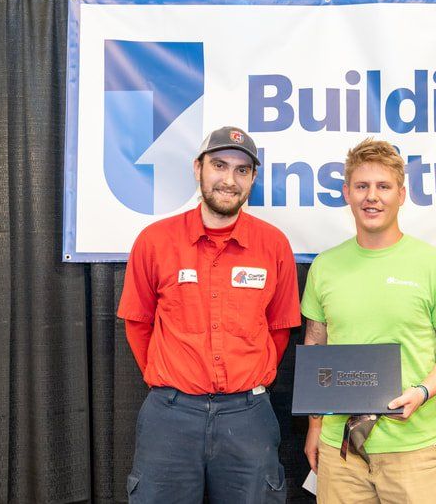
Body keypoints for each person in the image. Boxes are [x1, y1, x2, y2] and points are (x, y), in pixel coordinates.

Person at [117, 126, 300, 504]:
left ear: (252, 179)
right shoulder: (155, 241)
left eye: (242, 170)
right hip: (170, 416)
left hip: (248, 418)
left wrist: (248, 380)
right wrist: (167, 379)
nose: (229, 180)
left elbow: (280, 329)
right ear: (197, 168)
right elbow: (138, 323)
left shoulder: (274, 245)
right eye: (219, 165)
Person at [301, 138, 436, 504]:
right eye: (362, 186)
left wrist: (423, 391)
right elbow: (316, 348)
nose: (371, 197)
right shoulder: (324, 267)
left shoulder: (435, 265)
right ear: (347, 193)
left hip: (414, 452)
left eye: (383, 186)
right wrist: (315, 426)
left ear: (402, 194)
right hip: (340, 450)